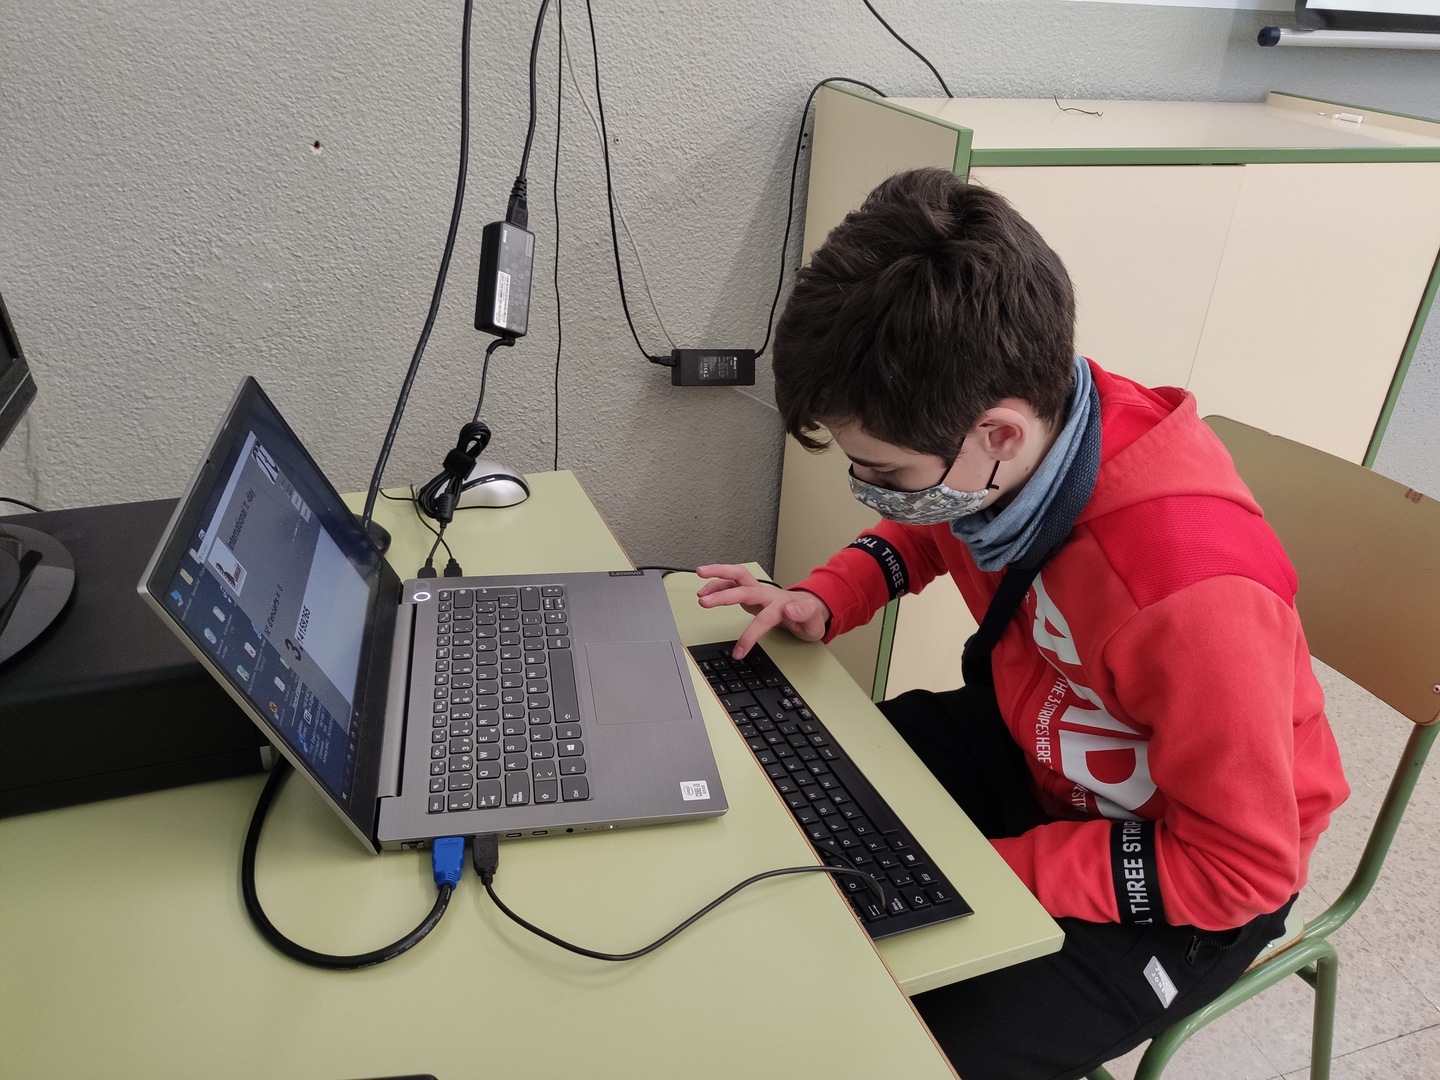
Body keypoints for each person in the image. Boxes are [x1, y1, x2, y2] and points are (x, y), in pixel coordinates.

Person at [695, 168, 1349, 1080]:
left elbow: (1242, 870)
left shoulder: (1192, 598)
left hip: (1186, 866)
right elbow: (937, 523)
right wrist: (831, 594)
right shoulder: (1030, 438)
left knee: (902, 1047)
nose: (871, 490)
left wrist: (993, 868)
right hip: (1041, 745)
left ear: (998, 434)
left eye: (883, 472)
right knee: (780, 782)